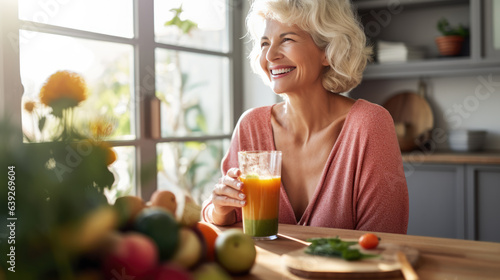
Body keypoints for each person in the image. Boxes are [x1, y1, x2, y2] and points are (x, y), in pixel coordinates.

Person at [201, 0, 409, 234]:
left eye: (287, 39)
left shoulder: (369, 124)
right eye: (264, 43)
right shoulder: (251, 126)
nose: (270, 55)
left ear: (328, 51)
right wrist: (218, 209)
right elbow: (225, 217)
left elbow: (384, 240)